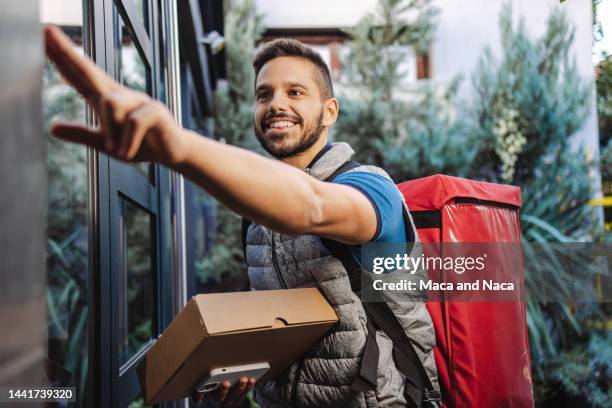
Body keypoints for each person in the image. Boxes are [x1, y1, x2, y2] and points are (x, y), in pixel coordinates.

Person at [44, 25, 438, 407]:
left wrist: (178, 147)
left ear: (329, 110)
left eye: (295, 92)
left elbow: (310, 205)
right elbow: (274, 328)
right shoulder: (257, 216)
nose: (276, 104)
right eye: (264, 95)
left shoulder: (373, 189)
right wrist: (235, 372)